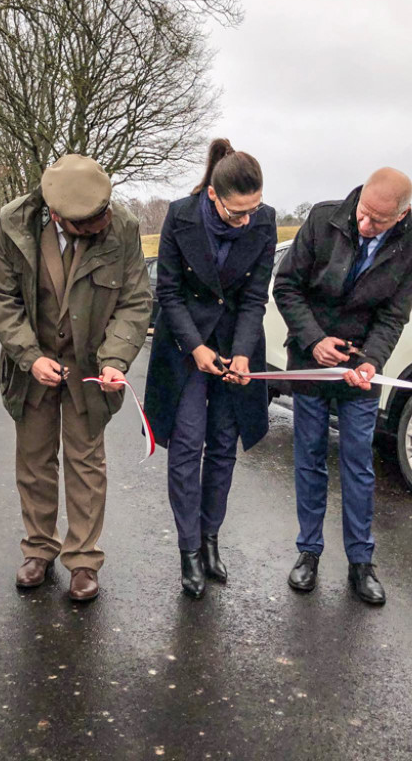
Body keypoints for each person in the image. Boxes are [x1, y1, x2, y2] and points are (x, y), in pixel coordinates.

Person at [0, 154, 151, 603]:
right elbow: (1, 298)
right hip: (31, 366)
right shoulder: (13, 224)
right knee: (35, 460)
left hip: (92, 370)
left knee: (86, 463)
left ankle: (83, 559)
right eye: (89, 221)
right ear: (57, 214)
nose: (102, 223)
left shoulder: (123, 228)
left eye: (104, 213)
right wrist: (29, 355)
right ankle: (38, 548)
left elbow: (135, 302)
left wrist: (116, 358)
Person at [272, 167, 412, 605]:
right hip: (310, 360)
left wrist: (372, 360)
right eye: (364, 213)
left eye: (378, 221)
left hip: (361, 367)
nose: (365, 225)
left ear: (403, 214)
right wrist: (314, 340)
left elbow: (395, 313)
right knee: (309, 457)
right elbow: (286, 286)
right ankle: (308, 553)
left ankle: (361, 562)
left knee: (358, 463)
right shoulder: (323, 220)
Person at [144, 139, 277, 598]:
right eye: (238, 212)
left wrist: (241, 352)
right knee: (186, 446)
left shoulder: (265, 221)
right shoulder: (180, 215)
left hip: (234, 347)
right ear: (214, 197)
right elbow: (168, 292)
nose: (247, 219)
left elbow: (255, 295)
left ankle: (210, 538)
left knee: (223, 445)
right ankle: (188, 551)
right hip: (186, 348)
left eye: (254, 209)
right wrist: (195, 347)